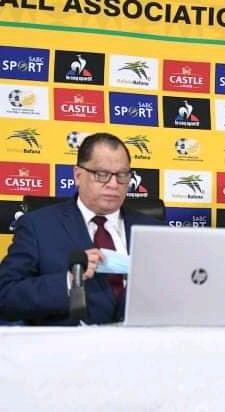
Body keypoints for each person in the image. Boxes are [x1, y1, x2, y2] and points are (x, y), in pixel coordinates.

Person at [0, 133, 163, 325]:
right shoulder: (38, 226)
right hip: (67, 342)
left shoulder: (155, 230)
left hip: (144, 341)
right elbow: (5, 295)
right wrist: (70, 281)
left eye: (122, 175)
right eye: (102, 174)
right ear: (78, 175)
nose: (114, 184)